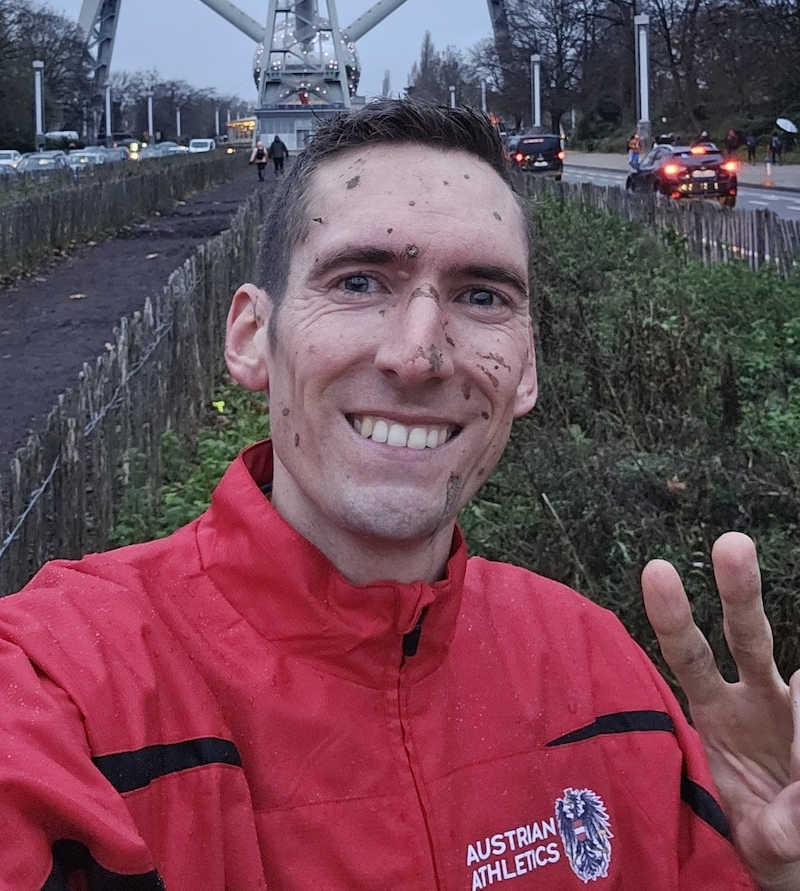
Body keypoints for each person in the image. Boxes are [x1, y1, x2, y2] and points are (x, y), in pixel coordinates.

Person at [1, 100, 799, 891]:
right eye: (358, 281)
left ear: (525, 372)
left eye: (482, 296)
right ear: (250, 337)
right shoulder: (64, 687)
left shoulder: (603, 676)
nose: (418, 355)